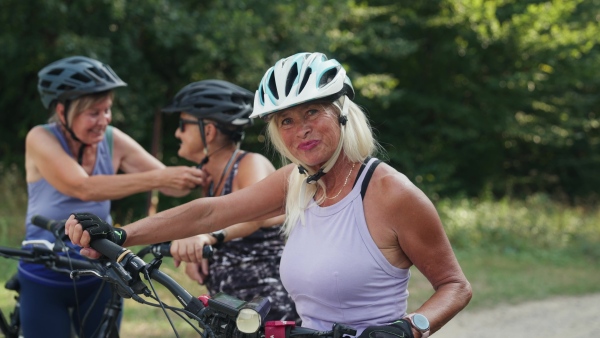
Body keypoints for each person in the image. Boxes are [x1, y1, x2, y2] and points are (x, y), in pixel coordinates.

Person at [66, 52, 472, 338]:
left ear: (341, 112)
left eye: (313, 112)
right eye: (287, 121)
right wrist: (121, 235)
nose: (302, 130)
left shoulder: (390, 193)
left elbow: (455, 286)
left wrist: (409, 327)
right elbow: (211, 213)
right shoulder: (296, 182)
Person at [21, 55, 205, 338]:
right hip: (45, 270)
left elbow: (172, 185)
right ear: (62, 111)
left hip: (99, 267)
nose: (103, 120)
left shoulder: (111, 138)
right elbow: (82, 187)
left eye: (107, 110)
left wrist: (201, 168)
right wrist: (161, 177)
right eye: (93, 113)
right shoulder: (40, 138)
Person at [161, 79, 297, 320]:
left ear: (210, 131)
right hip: (233, 310)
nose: (177, 132)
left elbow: (254, 214)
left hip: (268, 311)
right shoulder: (213, 177)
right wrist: (201, 251)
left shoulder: (249, 164)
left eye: (183, 124)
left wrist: (206, 237)